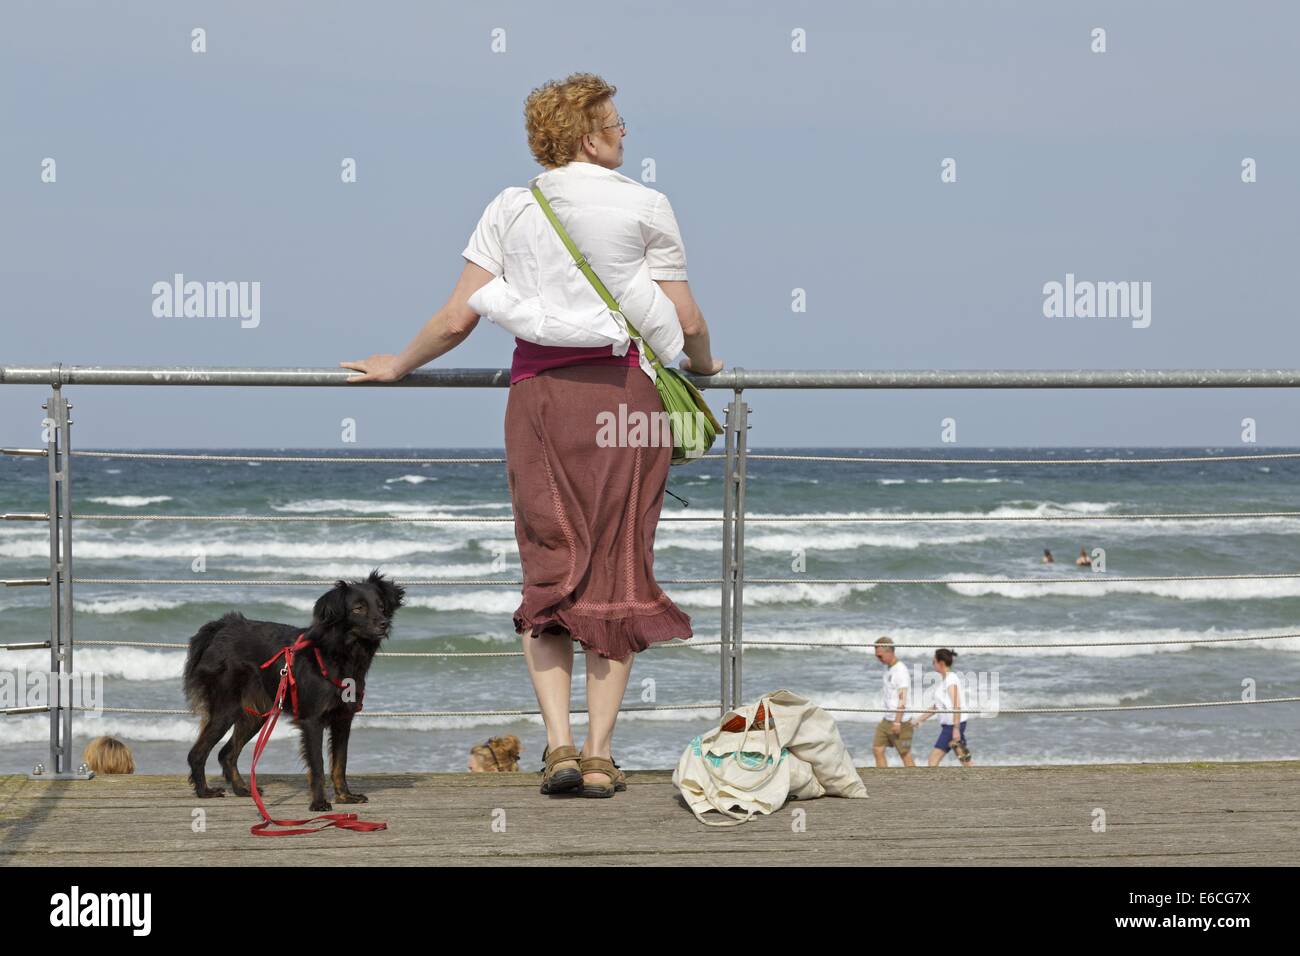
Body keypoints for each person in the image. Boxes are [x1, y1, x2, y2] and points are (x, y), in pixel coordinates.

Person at [341, 73, 721, 799]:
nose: (625, 132)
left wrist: (398, 364)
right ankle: (605, 758)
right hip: (627, 401)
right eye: (616, 123)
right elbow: (690, 324)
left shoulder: (512, 206)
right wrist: (706, 368)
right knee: (619, 564)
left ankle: (559, 749)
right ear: (588, 137)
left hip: (541, 400)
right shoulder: (647, 204)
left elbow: (459, 318)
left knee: (550, 563)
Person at [911, 649, 974, 767]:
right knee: (966, 761)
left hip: (952, 726)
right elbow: (936, 707)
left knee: (932, 760)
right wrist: (919, 719)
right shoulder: (945, 681)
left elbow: (957, 704)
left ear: (941, 663)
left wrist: (956, 729)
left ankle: (936, 785)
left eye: (933, 661)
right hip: (953, 724)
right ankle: (979, 782)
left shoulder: (951, 679)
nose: (932, 663)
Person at [871, 637, 915, 767]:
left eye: (880, 656)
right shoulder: (888, 668)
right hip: (887, 719)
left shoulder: (900, 671)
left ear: (889, 651)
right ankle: (883, 778)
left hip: (901, 721)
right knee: (877, 749)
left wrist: (897, 721)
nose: (878, 659)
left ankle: (918, 782)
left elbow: (903, 699)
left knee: (904, 754)